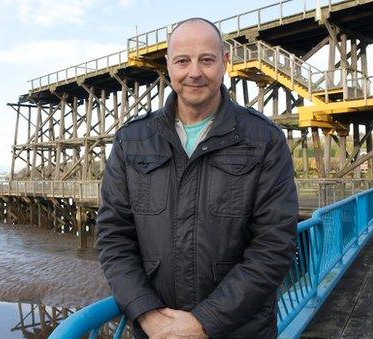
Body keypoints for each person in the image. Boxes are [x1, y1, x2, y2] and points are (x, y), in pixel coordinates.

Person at [96, 17, 298, 338]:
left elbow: (274, 245)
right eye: (182, 61)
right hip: (157, 332)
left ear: (225, 63)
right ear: (168, 66)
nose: (194, 72)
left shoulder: (264, 139)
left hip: (240, 331)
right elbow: (114, 237)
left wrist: (204, 322)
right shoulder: (130, 140)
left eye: (206, 59)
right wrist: (147, 314)